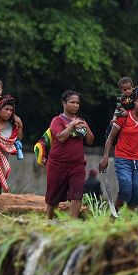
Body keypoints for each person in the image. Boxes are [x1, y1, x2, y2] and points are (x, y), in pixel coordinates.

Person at [99, 85, 138, 210]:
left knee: (137, 194)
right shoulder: (123, 117)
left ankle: (128, 222)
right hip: (123, 159)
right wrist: (105, 158)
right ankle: (113, 216)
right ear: (133, 101)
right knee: (126, 189)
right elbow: (110, 138)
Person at [45, 90, 94, 219]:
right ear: (64, 103)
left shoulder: (81, 121)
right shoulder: (57, 120)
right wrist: (72, 125)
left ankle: (72, 224)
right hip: (57, 165)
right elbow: (61, 138)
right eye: (72, 102)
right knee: (53, 198)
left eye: (77, 103)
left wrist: (86, 127)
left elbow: (90, 140)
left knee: (77, 194)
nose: (75, 105)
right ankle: (48, 221)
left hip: (77, 165)